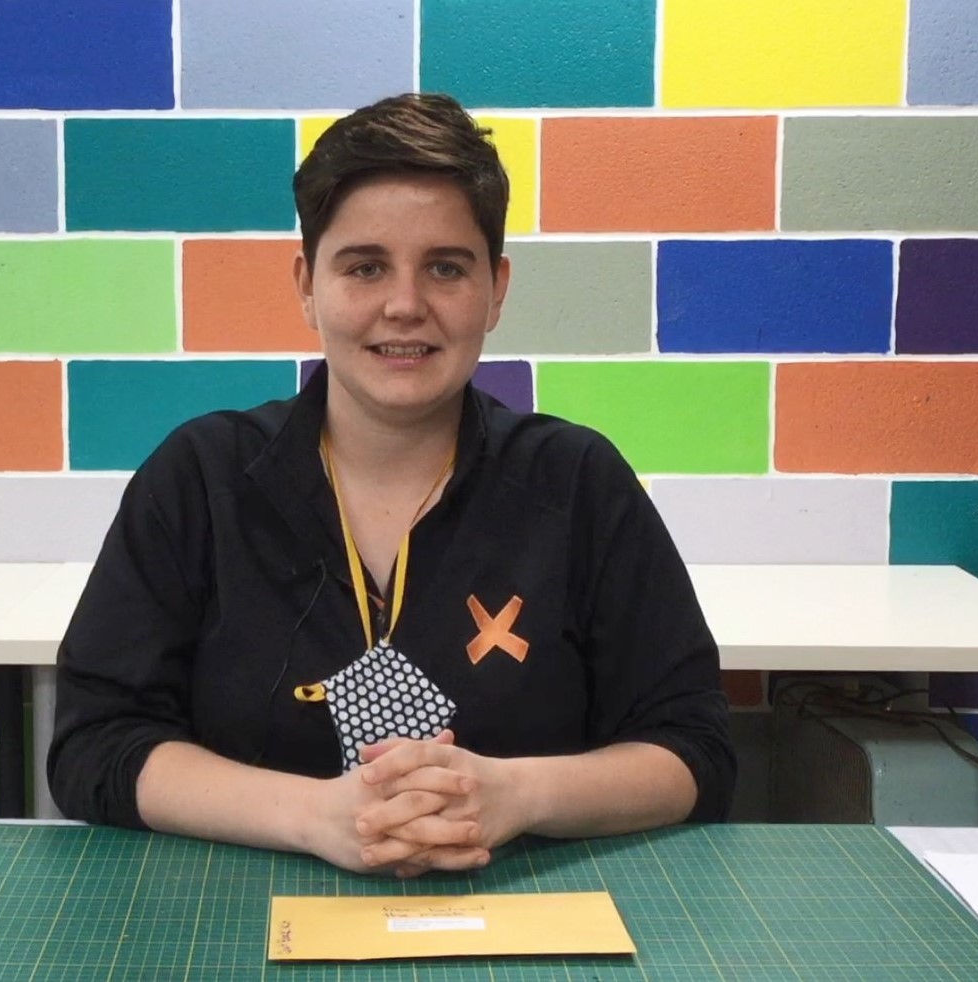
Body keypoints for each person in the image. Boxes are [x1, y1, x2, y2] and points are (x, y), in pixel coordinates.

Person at [48, 92, 734, 877]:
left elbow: (695, 751)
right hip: (235, 919)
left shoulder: (576, 483)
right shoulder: (199, 478)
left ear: (495, 288)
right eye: (364, 266)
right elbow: (94, 745)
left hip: (523, 920)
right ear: (306, 284)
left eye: (445, 268)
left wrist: (515, 794)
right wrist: (313, 815)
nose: (404, 306)